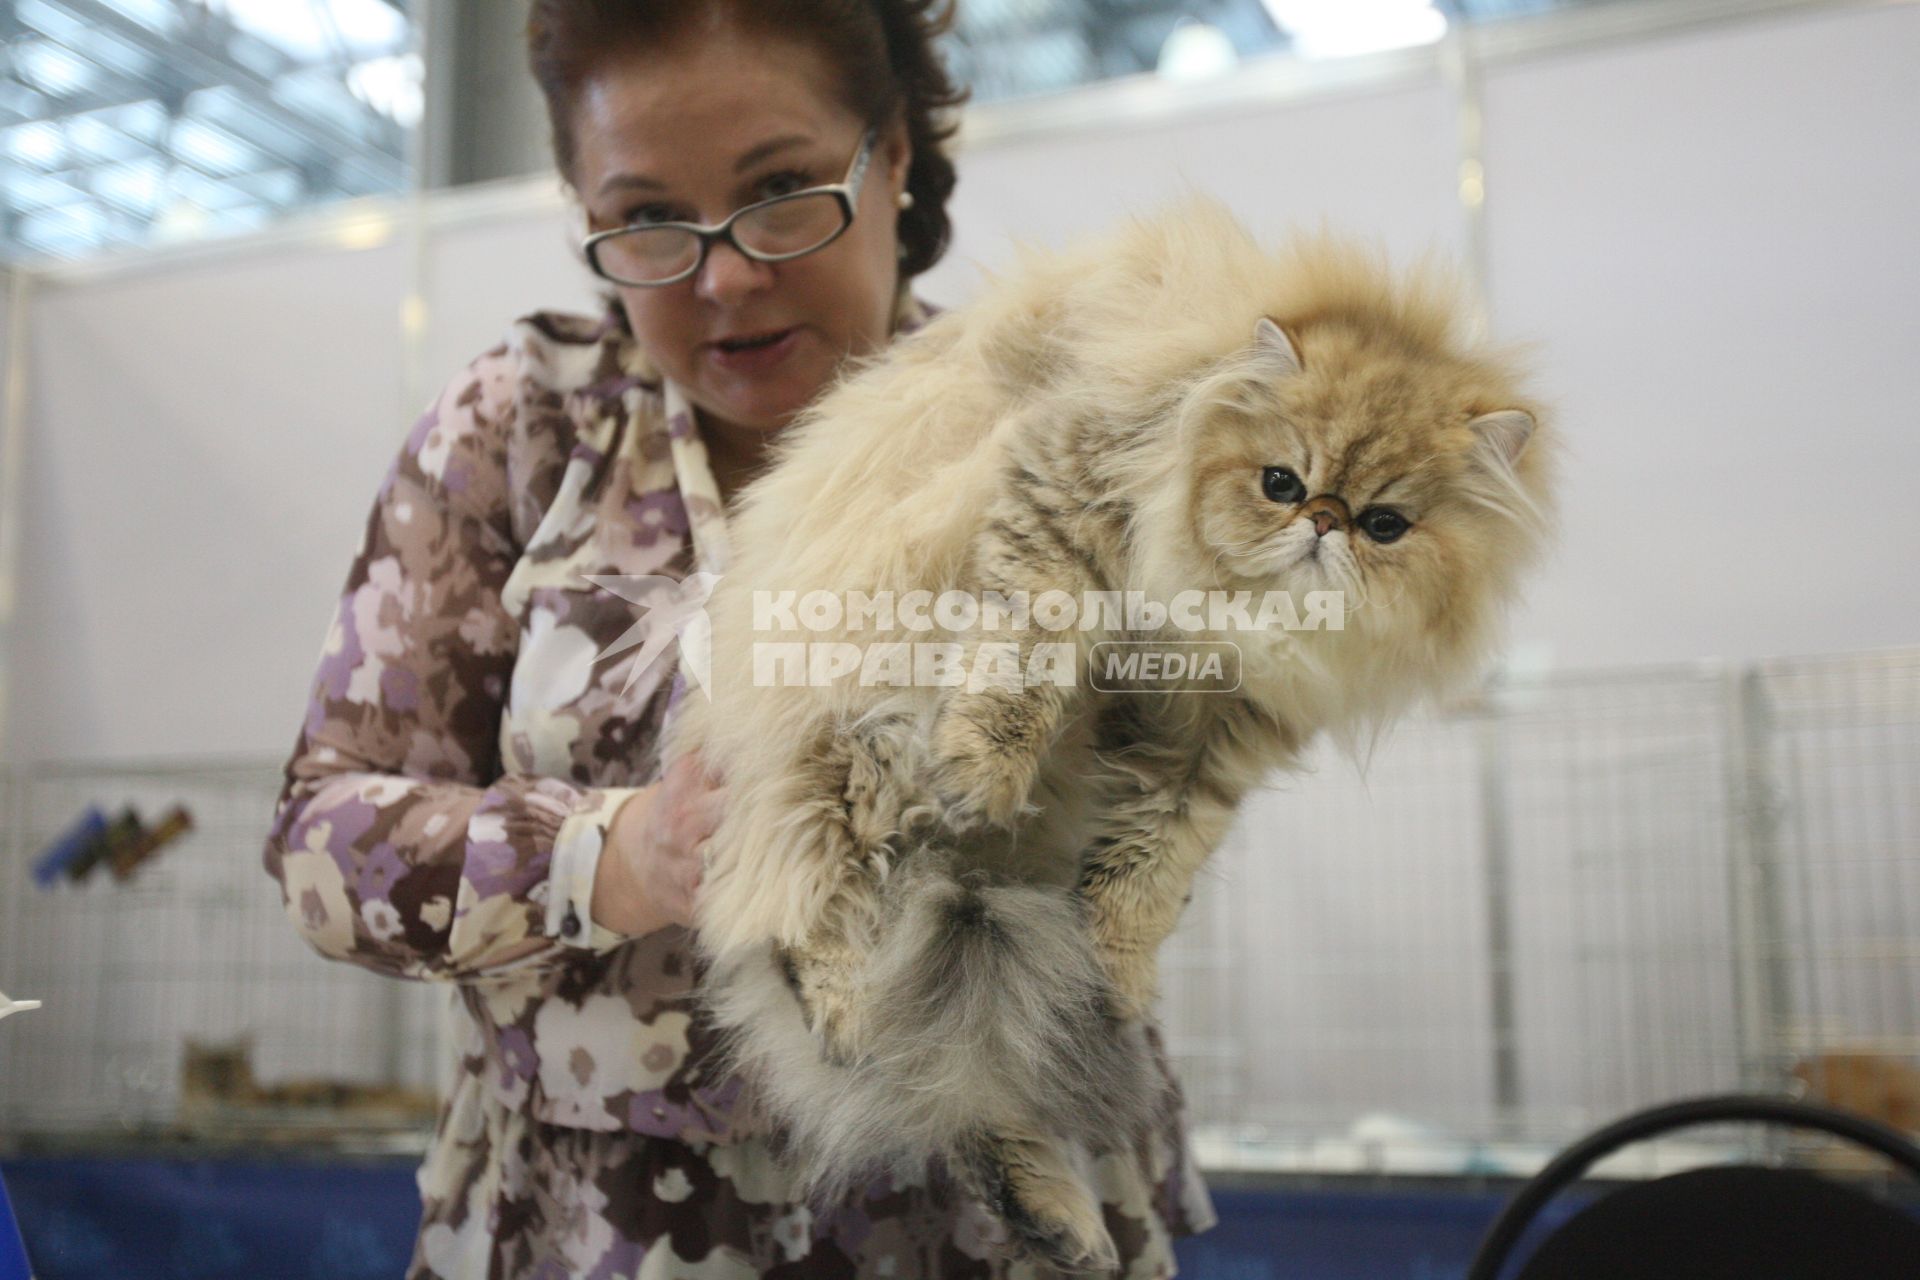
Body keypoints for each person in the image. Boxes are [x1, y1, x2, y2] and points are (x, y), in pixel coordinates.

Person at [262, 2, 1217, 1275]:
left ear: (891, 159)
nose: (726, 276)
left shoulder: (1045, 418)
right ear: (582, 212)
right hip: (615, 1226)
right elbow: (322, 845)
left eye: (780, 191)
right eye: (647, 219)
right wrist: (615, 853)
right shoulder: (525, 435)